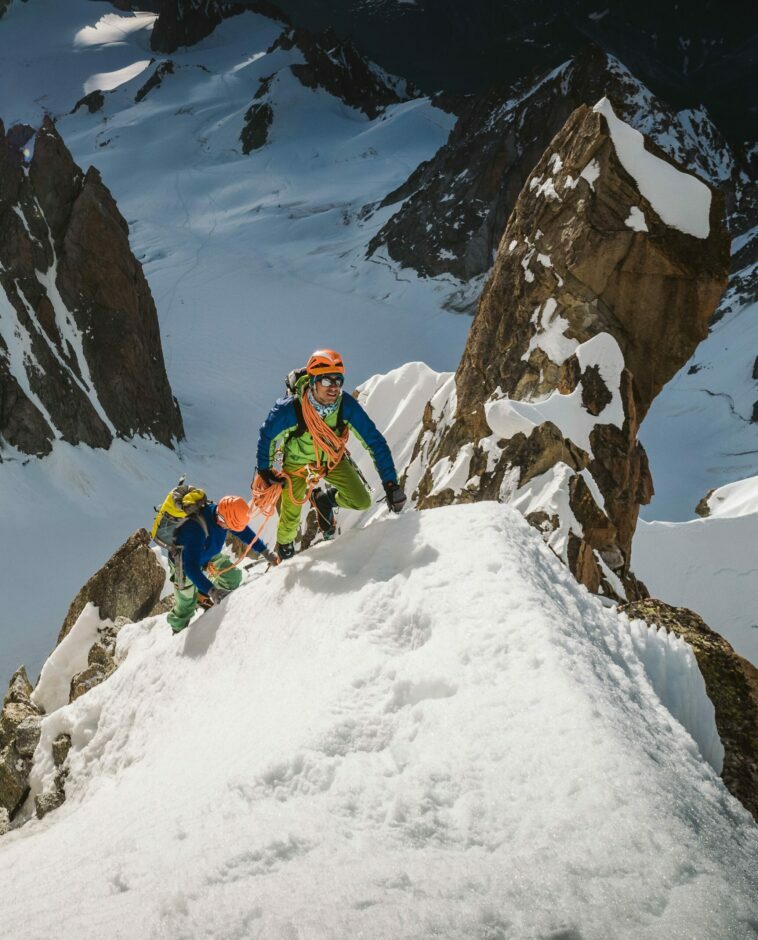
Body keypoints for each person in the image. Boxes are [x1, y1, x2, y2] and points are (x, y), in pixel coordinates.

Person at [255, 349, 406, 559]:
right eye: (327, 381)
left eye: (338, 380)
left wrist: (391, 484)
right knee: (290, 520)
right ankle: (285, 551)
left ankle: (325, 501)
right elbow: (267, 436)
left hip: (332, 460)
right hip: (298, 467)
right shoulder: (290, 410)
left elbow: (375, 442)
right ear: (314, 381)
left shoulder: (345, 406)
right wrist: (264, 470)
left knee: (361, 500)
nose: (334, 387)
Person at [167, 494, 278, 634]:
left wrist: (265, 552)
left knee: (233, 578)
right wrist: (212, 591)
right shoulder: (195, 530)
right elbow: (190, 567)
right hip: (183, 564)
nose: (230, 529)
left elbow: (244, 532)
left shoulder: (225, 514)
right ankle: (177, 630)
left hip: (207, 553)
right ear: (222, 520)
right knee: (185, 606)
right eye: (229, 526)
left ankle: (202, 594)